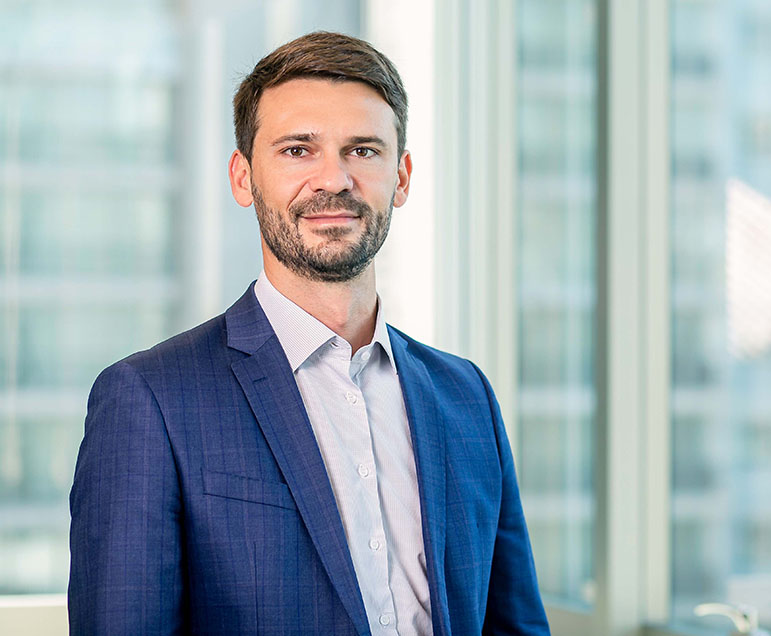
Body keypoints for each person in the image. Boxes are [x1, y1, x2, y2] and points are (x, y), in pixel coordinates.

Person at [68, 31, 550, 636]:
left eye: (363, 151)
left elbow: (515, 624)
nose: (334, 180)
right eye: (298, 150)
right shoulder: (150, 399)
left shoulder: (466, 396)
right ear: (244, 179)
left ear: (401, 177)